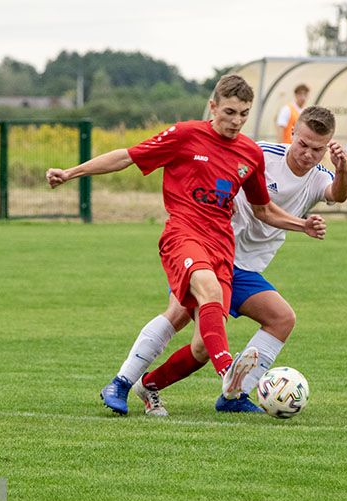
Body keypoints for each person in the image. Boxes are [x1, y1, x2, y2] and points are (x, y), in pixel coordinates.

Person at [45, 75, 327, 407]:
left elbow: (263, 209)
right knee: (204, 292)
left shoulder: (250, 153)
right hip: (184, 234)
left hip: (222, 247)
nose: (236, 121)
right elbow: (127, 156)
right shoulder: (185, 135)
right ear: (213, 107)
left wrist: (302, 225)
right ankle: (225, 375)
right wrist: (71, 172)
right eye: (230, 112)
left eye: (243, 114)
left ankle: (141, 385)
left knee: (203, 345)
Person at [103, 106, 347, 415]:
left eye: (318, 149)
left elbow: (338, 194)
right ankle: (121, 382)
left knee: (277, 320)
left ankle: (229, 394)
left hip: (247, 268)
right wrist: (224, 197)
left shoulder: (320, 176)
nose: (308, 154)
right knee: (178, 313)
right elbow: (221, 168)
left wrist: (342, 168)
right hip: (210, 250)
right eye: (303, 144)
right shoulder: (261, 154)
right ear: (292, 134)